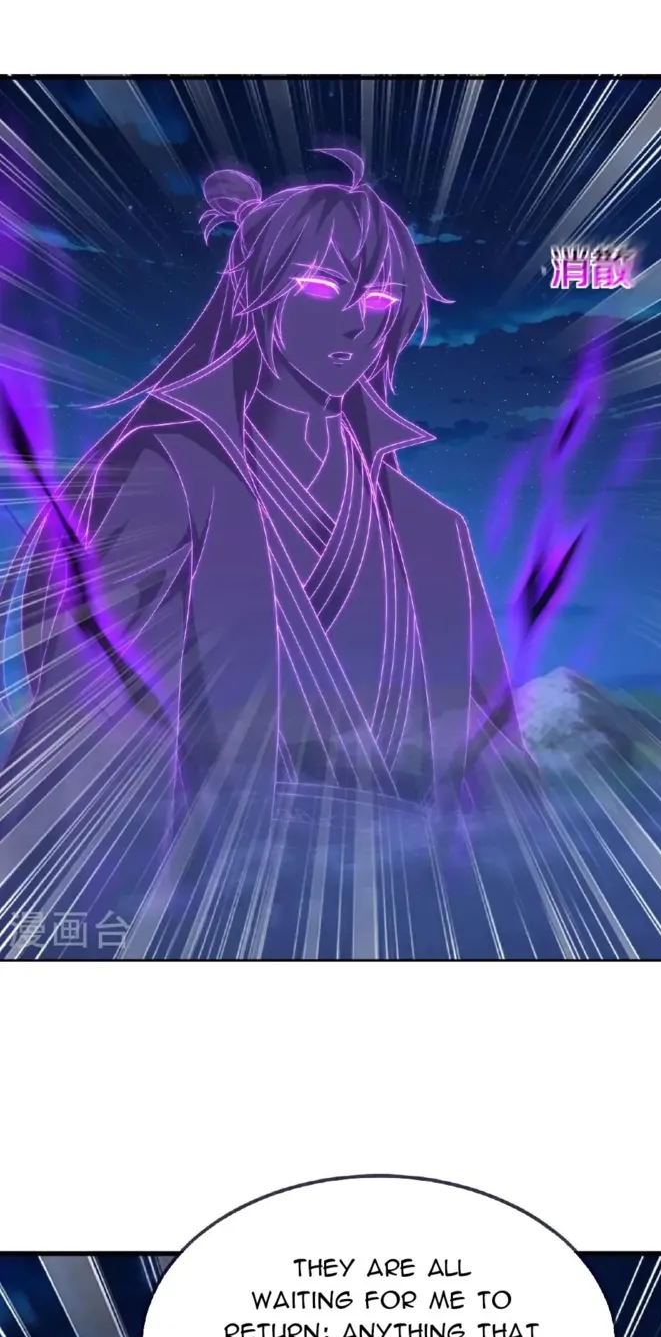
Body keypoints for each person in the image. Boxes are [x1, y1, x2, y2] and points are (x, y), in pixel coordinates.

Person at [0, 163, 512, 961]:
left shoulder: (430, 530)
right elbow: (90, 708)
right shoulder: (170, 473)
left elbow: (493, 754)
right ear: (254, 289)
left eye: (381, 301)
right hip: (208, 899)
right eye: (320, 287)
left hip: (411, 906)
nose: (356, 323)